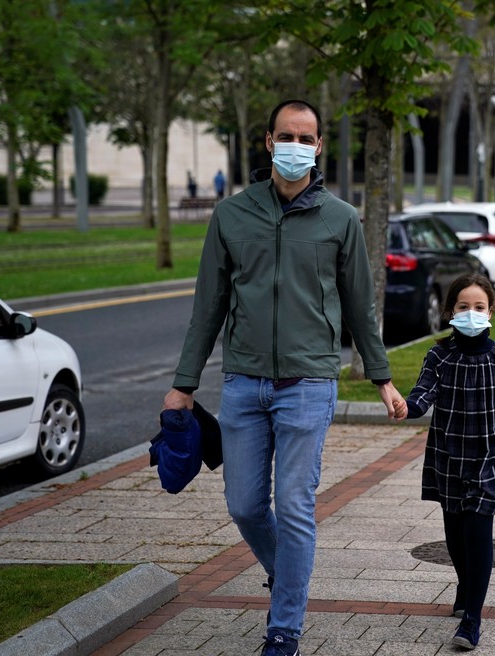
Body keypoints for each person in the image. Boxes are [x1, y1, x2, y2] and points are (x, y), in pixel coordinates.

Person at [163, 99, 407, 656]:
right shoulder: (231, 215)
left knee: (294, 505)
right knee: (245, 506)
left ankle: (285, 627)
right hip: (244, 385)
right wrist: (184, 383)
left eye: (307, 137)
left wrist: (382, 378)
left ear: (319, 147)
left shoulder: (341, 219)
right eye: (286, 135)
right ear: (269, 142)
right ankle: (287, 576)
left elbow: (359, 306)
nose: (297, 145)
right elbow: (209, 306)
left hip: (309, 384)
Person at [399, 273, 495, 651]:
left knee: (477, 534)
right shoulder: (440, 355)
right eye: (463, 307)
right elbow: (423, 394)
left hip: (489, 460)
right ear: (451, 311)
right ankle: (465, 585)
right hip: (448, 457)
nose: (472, 313)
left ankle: (472, 618)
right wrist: (406, 407)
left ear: (491, 311)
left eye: (479, 307)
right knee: (454, 538)